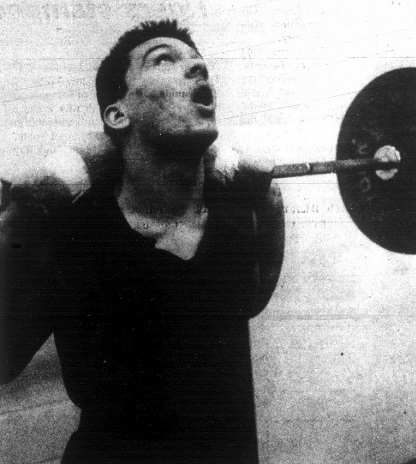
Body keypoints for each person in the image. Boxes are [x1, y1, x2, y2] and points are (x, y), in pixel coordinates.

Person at [0, 20, 284, 463]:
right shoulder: (75, 233)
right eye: (164, 60)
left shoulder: (238, 219)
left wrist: (269, 203)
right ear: (118, 114)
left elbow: (253, 298)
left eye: (199, 63)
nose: (197, 69)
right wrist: (28, 209)